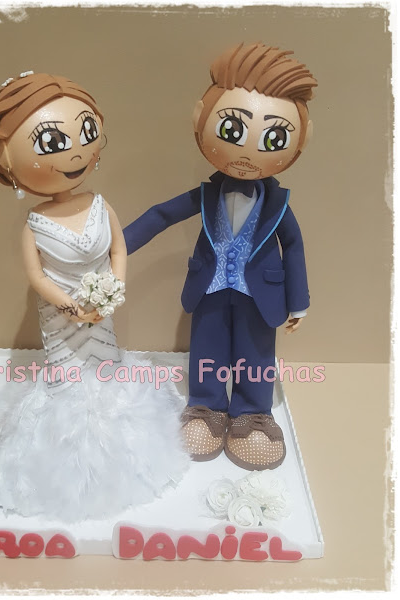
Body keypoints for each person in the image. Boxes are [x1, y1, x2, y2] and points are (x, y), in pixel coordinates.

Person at [0, 73, 189, 523]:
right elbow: (35, 275)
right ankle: (66, 465)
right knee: (67, 380)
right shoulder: (35, 223)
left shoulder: (100, 205)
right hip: (61, 316)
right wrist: (68, 306)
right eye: (53, 143)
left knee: (106, 369)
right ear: (9, 163)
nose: (78, 151)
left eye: (87, 132)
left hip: (101, 312)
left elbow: (118, 249)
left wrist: (113, 290)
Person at [123, 42, 318, 470]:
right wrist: (118, 244)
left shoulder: (278, 204)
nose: (247, 151)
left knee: (256, 353)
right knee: (206, 348)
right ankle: (206, 407)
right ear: (201, 120)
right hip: (209, 286)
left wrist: (298, 301)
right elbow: (160, 215)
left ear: (299, 142)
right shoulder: (207, 194)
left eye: (274, 138)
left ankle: (253, 414)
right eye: (233, 130)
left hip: (260, 294)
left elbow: (294, 246)